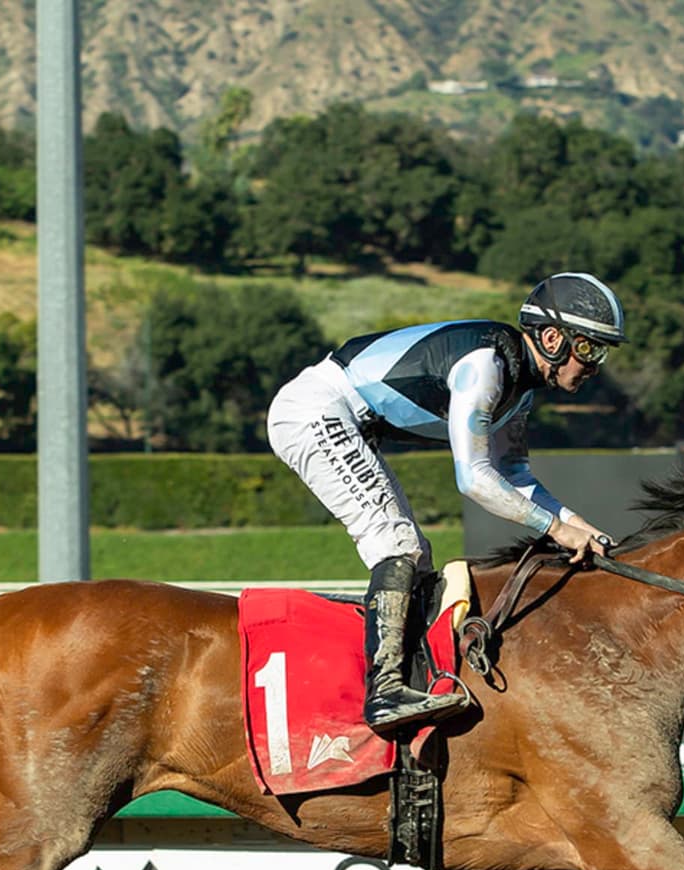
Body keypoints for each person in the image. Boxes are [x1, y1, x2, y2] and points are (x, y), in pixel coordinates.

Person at [268, 272, 626, 734]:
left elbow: (515, 476)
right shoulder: (486, 366)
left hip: (343, 417)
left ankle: (410, 678)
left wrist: (579, 524)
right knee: (396, 544)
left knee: (416, 556)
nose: (594, 367)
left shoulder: (519, 386)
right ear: (553, 338)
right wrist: (556, 530)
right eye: (591, 350)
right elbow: (474, 479)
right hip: (315, 412)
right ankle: (384, 690)